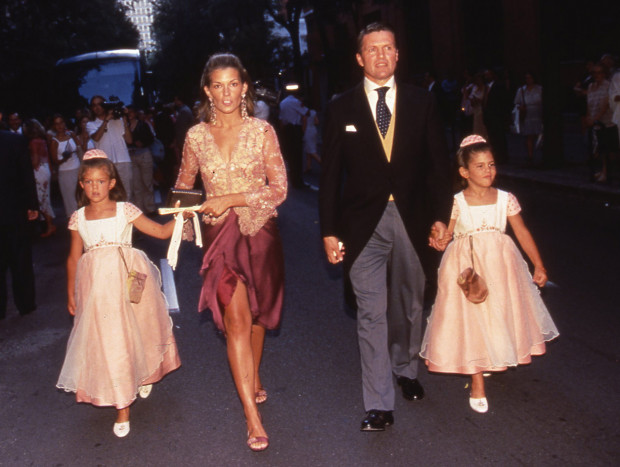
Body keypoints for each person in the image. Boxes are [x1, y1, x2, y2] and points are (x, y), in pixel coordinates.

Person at [319, 22, 452, 432]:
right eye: (372, 49)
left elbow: (438, 166)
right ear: (360, 58)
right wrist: (329, 230)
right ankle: (379, 402)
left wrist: (441, 217)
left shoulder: (421, 102)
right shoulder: (340, 107)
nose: (380, 55)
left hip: (411, 219)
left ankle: (406, 366)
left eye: (388, 48)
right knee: (371, 313)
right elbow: (330, 176)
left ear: (398, 55)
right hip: (361, 226)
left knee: (411, 305)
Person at [175, 53, 287, 451]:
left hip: (261, 234)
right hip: (220, 239)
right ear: (207, 89)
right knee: (237, 321)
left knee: (257, 318)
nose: (226, 92)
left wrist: (233, 198)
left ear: (245, 87)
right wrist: (183, 215)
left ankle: (254, 374)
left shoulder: (262, 131)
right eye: (217, 85)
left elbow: (279, 189)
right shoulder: (196, 136)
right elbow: (184, 187)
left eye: (233, 84)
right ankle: (252, 418)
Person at [420, 135, 559, 413]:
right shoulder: (456, 202)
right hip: (467, 266)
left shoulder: (505, 199)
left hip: (501, 264)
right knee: (472, 320)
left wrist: (539, 265)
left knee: (499, 314)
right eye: (480, 166)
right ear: (464, 172)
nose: (488, 171)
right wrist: (437, 237)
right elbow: (444, 232)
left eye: (492, 165)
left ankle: (491, 355)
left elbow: (521, 232)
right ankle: (477, 381)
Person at [57, 149, 182, 438]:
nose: (95, 188)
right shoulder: (78, 218)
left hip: (131, 278)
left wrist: (183, 213)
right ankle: (122, 406)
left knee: (138, 330)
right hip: (97, 289)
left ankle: (141, 374)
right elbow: (74, 257)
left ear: (112, 182)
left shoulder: (125, 209)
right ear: (81, 184)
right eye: (88, 182)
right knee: (109, 340)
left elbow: (161, 233)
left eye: (101, 181)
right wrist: (70, 292)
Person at [0, 130, 39, 320]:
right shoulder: (15, 140)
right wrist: (32, 205)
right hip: (14, 209)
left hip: (14, 209)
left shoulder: (16, 140)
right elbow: (26, 174)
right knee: (20, 258)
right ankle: (26, 304)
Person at [86, 95, 133, 197]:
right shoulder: (91, 124)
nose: (97, 108)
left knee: (126, 194)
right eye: (94, 105)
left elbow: (129, 140)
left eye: (100, 104)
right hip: (106, 164)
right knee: (110, 195)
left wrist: (124, 120)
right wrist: (106, 120)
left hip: (123, 160)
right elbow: (96, 137)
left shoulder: (117, 120)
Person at [24, 119, 56, 237]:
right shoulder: (42, 140)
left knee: (41, 198)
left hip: (38, 171)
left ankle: (49, 225)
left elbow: (35, 162)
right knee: (45, 197)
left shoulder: (33, 142)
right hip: (45, 169)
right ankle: (49, 224)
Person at [585, 63, 615, 182]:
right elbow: (588, 103)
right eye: (594, 73)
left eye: (599, 72)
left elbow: (605, 105)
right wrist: (588, 117)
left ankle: (606, 172)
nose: (597, 75)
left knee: (608, 150)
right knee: (600, 149)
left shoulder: (608, 86)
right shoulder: (591, 86)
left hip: (607, 122)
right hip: (596, 124)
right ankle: (603, 171)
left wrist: (595, 118)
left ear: (604, 73)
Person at [127, 105, 156, 214]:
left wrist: (143, 143)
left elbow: (151, 138)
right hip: (131, 156)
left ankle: (150, 207)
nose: (130, 114)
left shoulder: (143, 124)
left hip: (144, 154)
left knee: (147, 182)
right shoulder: (125, 125)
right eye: (128, 112)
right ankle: (140, 210)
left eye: (131, 112)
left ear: (135, 113)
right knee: (136, 185)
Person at [50, 114, 80, 217]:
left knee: (81, 196)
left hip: (78, 168)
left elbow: (79, 147)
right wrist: (64, 159)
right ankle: (74, 223)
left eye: (61, 123)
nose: (59, 126)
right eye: (56, 124)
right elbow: (55, 161)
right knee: (70, 199)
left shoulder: (71, 134)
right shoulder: (54, 141)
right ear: (54, 126)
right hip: (65, 172)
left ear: (64, 123)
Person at [279, 87, 309, 188]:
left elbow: (281, 120)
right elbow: (306, 113)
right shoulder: (296, 102)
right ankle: (298, 181)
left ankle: (292, 179)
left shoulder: (283, 102)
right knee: (297, 157)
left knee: (290, 156)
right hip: (295, 129)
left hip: (286, 130)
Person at [514, 72, 543, 165]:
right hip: (527, 113)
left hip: (537, 112)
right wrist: (520, 107)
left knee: (539, 134)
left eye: (530, 78)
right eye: (527, 78)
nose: (528, 80)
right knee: (529, 135)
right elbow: (517, 102)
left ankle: (539, 154)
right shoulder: (521, 90)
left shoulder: (539, 89)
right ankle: (530, 156)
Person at [482, 68, 509, 163]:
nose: (487, 77)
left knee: (499, 137)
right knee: (492, 137)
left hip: (497, 115)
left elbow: (503, 101)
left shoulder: (498, 86)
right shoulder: (485, 87)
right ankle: (495, 156)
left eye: (488, 75)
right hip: (488, 116)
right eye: (485, 75)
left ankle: (502, 157)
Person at [303, 107, 321, 172]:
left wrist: (303, 132)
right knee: (309, 149)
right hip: (313, 130)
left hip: (307, 131)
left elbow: (304, 121)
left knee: (311, 150)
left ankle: (322, 163)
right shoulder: (313, 111)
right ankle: (308, 166)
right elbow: (317, 122)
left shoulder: (304, 111)